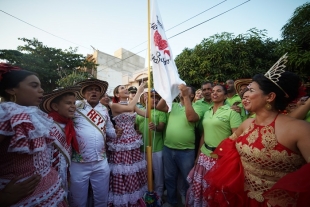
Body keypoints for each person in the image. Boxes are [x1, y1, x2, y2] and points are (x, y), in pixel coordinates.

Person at [203, 54, 310, 207]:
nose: (244, 94)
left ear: (270, 97)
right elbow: (227, 148)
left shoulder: (300, 129)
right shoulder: (246, 124)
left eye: (251, 90)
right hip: (242, 198)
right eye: (245, 90)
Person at [0, 63, 66, 206]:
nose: (41, 90)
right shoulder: (5, 115)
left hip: (50, 190)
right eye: (34, 86)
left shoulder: (33, 114)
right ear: (11, 89)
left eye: (40, 86)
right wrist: (3, 197)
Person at [186, 84, 242, 207]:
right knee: (201, 189)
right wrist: (198, 156)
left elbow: (237, 138)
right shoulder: (207, 112)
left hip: (221, 159)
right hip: (204, 157)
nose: (214, 93)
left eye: (219, 91)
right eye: (213, 91)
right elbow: (203, 135)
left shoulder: (232, 112)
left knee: (216, 192)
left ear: (226, 95)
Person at [69, 78, 122, 207]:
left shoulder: (104, 109)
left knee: (101, 198)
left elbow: (108, 129)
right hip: (78, 163)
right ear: (83, 93)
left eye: (97, 90)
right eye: (90, 90)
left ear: (100, 93)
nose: (94, 92)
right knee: (78, 200)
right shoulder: (76, 106)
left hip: (101, 162)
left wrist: (116, 133)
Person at [156, 84, 204, 207]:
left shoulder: (197, 107)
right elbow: (159, 106)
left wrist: (185, 96)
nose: (182, 91)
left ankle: (190, 201)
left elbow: (191, 117)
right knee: (169, 178)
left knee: (188, 179)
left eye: (186, 89)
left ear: (192, 95)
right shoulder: (174, 106)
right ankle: (172, 201)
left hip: (186, 151)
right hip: (168, 148)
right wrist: (169, 91)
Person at [107, 83, 148, 207]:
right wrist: (139, 91)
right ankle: (125, 199)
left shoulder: (132, 105)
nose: (125, 89)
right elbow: (130, 108)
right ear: (116, 94)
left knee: (134, 170)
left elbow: (147, 114)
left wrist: (148, 102)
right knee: (124, 171)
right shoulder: (114, 105)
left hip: (133, 142)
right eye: (122, 88)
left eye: (126, 87)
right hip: (121, 143)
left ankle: (136, 198)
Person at [39, 86, 81, 197]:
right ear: (55, 106)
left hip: (64, 175)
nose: (73, 107)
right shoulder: (45, 125)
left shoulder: (69, 124)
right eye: (68, 103)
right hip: (48, 178)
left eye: (74, 103)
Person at [135, 88, 167, 200]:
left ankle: (158, 195)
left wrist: (156, 127)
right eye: (150, 97)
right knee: (144, 174)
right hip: (142, 149)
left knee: (158, 173)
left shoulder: (161, 112)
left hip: (157, 149)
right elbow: (136, 127)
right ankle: (146, 194)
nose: (153, 99)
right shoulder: (140, 112)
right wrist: (137, 131)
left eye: (155, 97)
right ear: (144, 99)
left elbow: (161, 127)